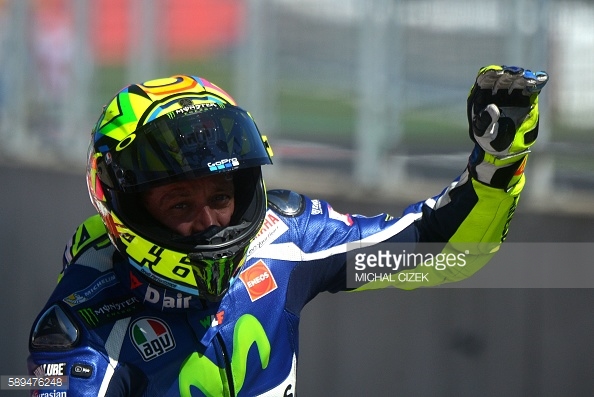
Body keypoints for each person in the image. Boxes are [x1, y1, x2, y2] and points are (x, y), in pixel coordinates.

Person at [28, 65, 548, 396]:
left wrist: (498, 163)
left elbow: (442, 250)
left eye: (221, 197)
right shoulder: (79, 329)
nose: (210, 220)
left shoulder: (286, 240)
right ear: (126, 208)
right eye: (180, 203)